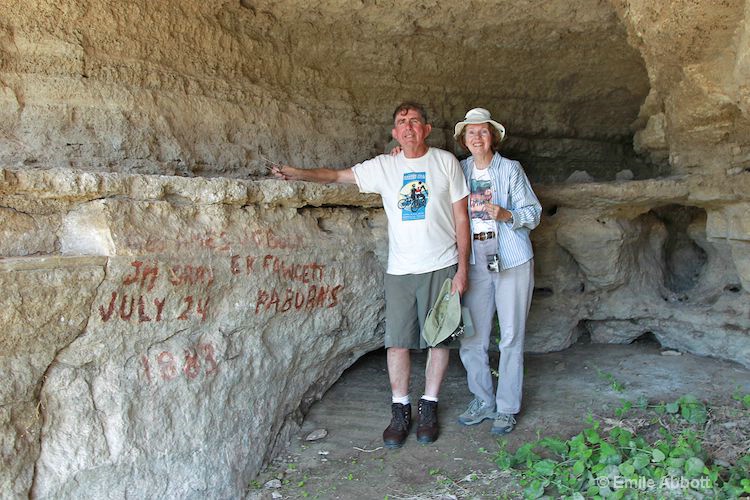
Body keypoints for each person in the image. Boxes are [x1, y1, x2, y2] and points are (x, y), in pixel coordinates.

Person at [271, 102, 470, 448]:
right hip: (401, 269)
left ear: (427, 128)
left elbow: (462, 218)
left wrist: (463, 269)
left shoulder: (445, 162)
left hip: (442, 263)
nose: (408, 127)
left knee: (440, 339)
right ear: (395, 134)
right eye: (401, 123)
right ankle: (400, 409)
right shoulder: (385, 166)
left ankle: (429, 406)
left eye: (414, 122)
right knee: (397, 341)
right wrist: (298, 173)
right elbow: (336, 175)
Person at [452, 107, 541, 435]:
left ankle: (506, 408)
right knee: (472, 337)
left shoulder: (510, 169)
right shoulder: (458, 170)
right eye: (471, 132)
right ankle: (483, 399)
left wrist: (507, 215)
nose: (477, 137)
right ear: (464, 140)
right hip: (475, 264)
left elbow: (533, 212)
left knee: (511, 336)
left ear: (494, 137)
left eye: (483, 131)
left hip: (511, 261)